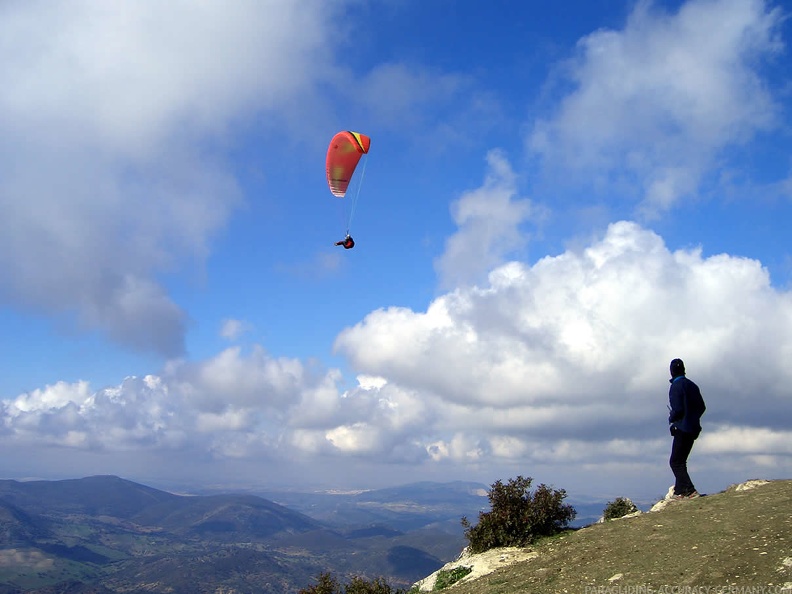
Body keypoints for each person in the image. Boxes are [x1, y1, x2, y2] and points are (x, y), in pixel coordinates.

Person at [667, 358, 706, 499]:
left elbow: (677, 409)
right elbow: (702, 407)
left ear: (671, 372)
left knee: (675, 462)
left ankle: (690, 490)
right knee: (681, 460)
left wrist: (672, 418)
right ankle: (679, 491)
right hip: (694, 428)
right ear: (684, 369)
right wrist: (693, 418)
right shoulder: (693, 386)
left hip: (682, 428)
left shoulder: (676, 387)